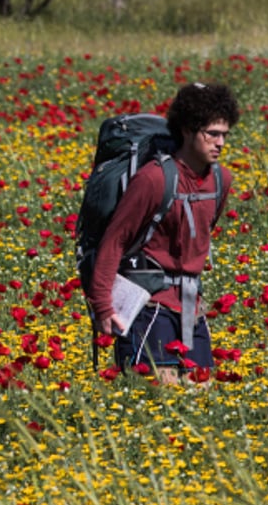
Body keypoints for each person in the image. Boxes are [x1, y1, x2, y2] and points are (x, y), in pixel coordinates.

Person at [87, 82, 239, 385]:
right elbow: (115, 240)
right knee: (159, 398)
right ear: (186, 130)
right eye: (212, 134)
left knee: (202, 400)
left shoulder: (222, 180)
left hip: (192, 306)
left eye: (224, 134)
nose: (220, 143)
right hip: (149, 305)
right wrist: (103, 306)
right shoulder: (154, 179)